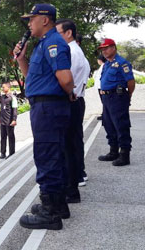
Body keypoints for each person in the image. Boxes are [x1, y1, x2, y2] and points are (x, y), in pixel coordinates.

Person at [13, 3, 74, 230]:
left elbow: (66, 80)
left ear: (45, 19)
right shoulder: (42, 45)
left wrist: (67, 94)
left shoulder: (54, 43)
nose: (29, 23)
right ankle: (58, 205)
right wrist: (21, 58)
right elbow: (31, 78)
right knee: (51, 155)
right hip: (43, 106)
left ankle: (50, 213)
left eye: (32, 19)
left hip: (49, 107)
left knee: (47, 156)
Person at [55, 19, 90, 201]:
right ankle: (73, 182)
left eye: (58, 33)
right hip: (75, 100)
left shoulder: (71, 51)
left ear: (68, 33)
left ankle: (71, 188)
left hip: (71, 100)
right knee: (72, 144)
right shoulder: (77, 51)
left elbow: (66, 80)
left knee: (68, 146)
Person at [97, 38, 135, 167]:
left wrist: (128, 95)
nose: (104, 51)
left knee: (121, 125)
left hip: (117, 97)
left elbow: (130, 82)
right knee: (109, 124)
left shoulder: (122, 63)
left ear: (114, 48)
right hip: (107, 98)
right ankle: (113, 151)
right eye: (102, 49)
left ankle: (124, 154)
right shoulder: (107, 64)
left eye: (106, 48)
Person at [0, 82, 18, 159]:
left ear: (8, 88)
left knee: (11, 137)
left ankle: (12, 152)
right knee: (3, 137)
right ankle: (3, 153)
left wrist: (14, 119)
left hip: (9, 121)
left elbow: (15, 109)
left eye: (3, 87)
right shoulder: (2, 97)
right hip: (3, 120)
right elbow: (1, 109)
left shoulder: (12, 97)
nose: (2, 89)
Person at [93, 54, 107, 121]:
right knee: (103, 101)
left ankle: (105, 115)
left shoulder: (104, 66)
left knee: (104, 101)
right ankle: (104, 114)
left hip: (101, 87)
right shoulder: (102, 66)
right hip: (100, 86)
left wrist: (102, 88)